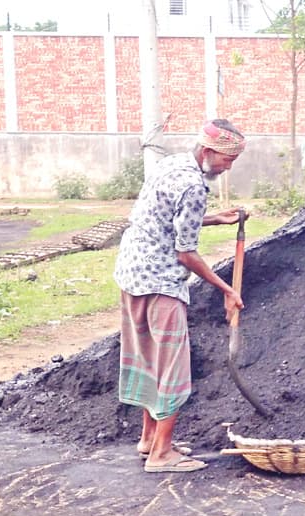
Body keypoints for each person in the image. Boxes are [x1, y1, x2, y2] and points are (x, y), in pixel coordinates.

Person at [113, 118, 247, 473]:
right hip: (160, 281)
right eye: (226, 160)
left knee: (148, 357)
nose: (228, 167)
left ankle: (148, 439)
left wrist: (214, 219)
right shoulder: (193, 186)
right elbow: (185, 252)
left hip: (131, 271)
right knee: (172, 364)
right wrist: (226, 289)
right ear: (207, 151)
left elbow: (161, 217)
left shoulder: (170, 164)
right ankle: (162, 454)